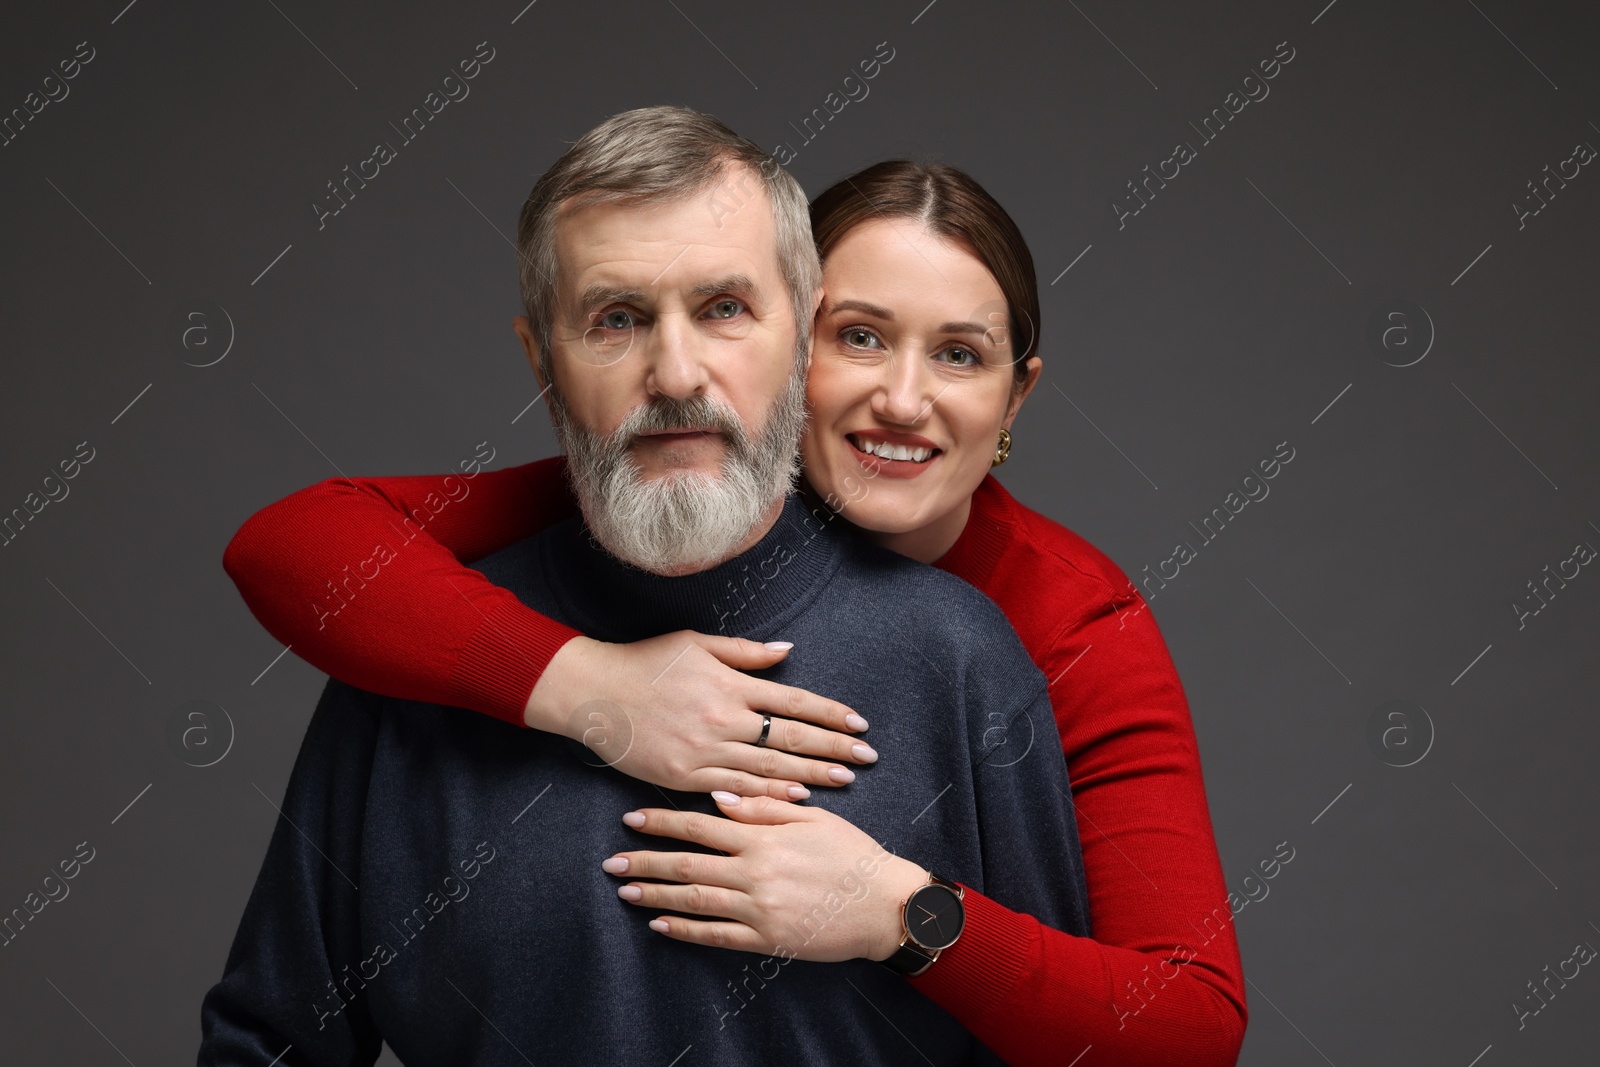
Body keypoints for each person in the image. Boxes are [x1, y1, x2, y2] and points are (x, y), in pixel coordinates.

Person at [222, 138, 1249, 1066]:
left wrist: (899, 910)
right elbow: (294, 543)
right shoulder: (514, 563)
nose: (900, 397)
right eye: (859, 335)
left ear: (1016, 395)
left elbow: (1175, 1030)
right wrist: (588, 686)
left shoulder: (1027, 636)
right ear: (796, 351)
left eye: (959, 353)